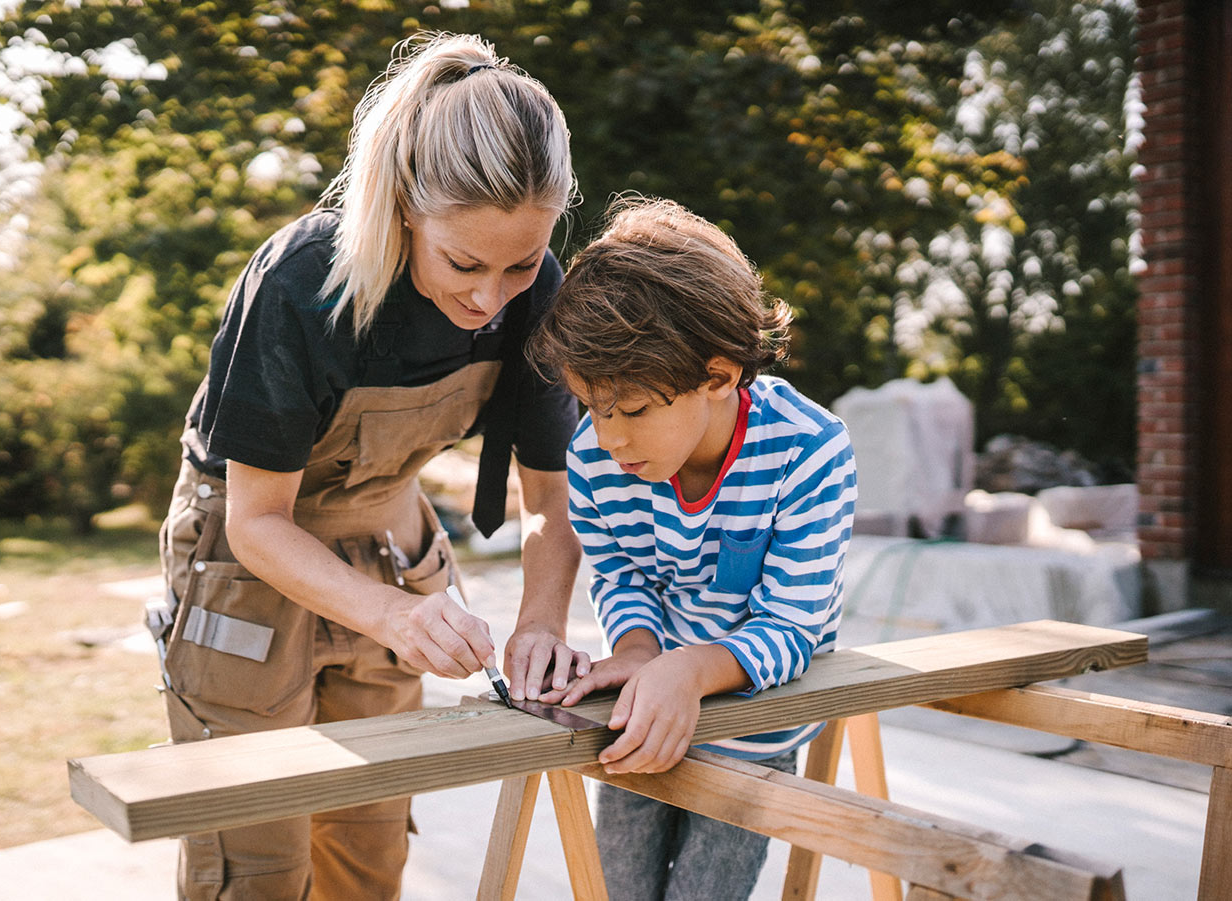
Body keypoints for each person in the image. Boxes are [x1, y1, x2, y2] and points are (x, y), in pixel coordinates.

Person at [154, 33, 587, 900]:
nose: (488, 298)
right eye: (463, 262)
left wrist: (540, 621)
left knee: (370, 842)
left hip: (389, 539)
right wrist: (392, 614)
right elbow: (257, 520)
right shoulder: (301, 284)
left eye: (520, 263)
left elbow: (551, 500)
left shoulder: (537, 293)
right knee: (257, 857)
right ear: (401, 210)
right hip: (246, 561)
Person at [526, 197, 858, 900]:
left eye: (634, 410)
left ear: (717, 376)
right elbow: (618, 569)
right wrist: (643, 650)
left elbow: (793, 625)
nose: (610, 437)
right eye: (593, 406)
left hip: (753, 727)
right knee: (619, 889)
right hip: (644, 711)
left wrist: (690, 671)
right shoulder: (592, 457)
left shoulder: (809, 450)